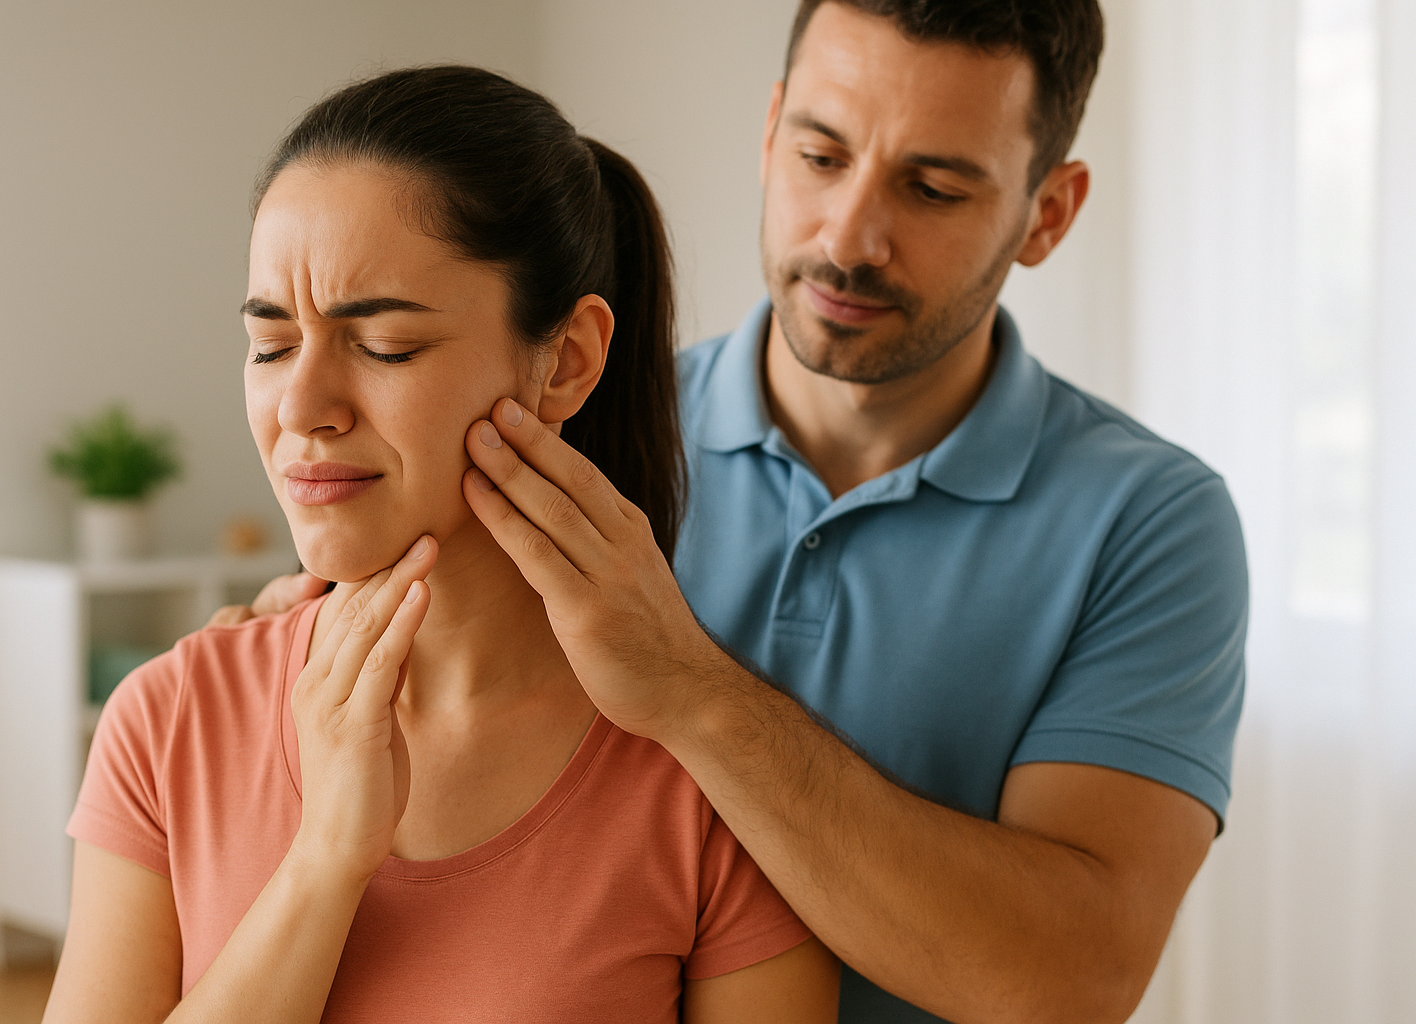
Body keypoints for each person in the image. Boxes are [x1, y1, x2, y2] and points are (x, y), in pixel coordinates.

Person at [227, 2, 1249, 1022]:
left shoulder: (1151, 523)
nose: (849, 236)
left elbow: (1074, 982)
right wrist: (273, 657)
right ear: (768, 133)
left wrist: (691, 689)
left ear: (1048, 215)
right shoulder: (568, 434)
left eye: (932, 188)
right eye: (819, 155)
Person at [44, 65, 840, 1024]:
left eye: (385, 346)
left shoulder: (711, 781)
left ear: (568, 361)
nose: (301, 409)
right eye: (271, 344)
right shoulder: (169, 719)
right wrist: (327, 859)